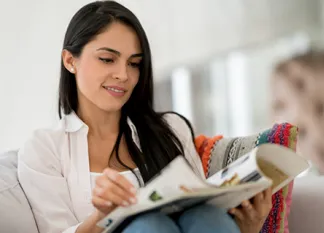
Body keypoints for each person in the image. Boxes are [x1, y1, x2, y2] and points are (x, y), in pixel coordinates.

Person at [17, 1, 272, 233]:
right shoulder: (43, 149)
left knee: (205, 215)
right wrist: (103, 216)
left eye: (134, 63)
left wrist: (248, 227)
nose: (123, 75)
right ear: (70, 60)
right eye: (107, 59)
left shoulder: (171, 129)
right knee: (150, 225)